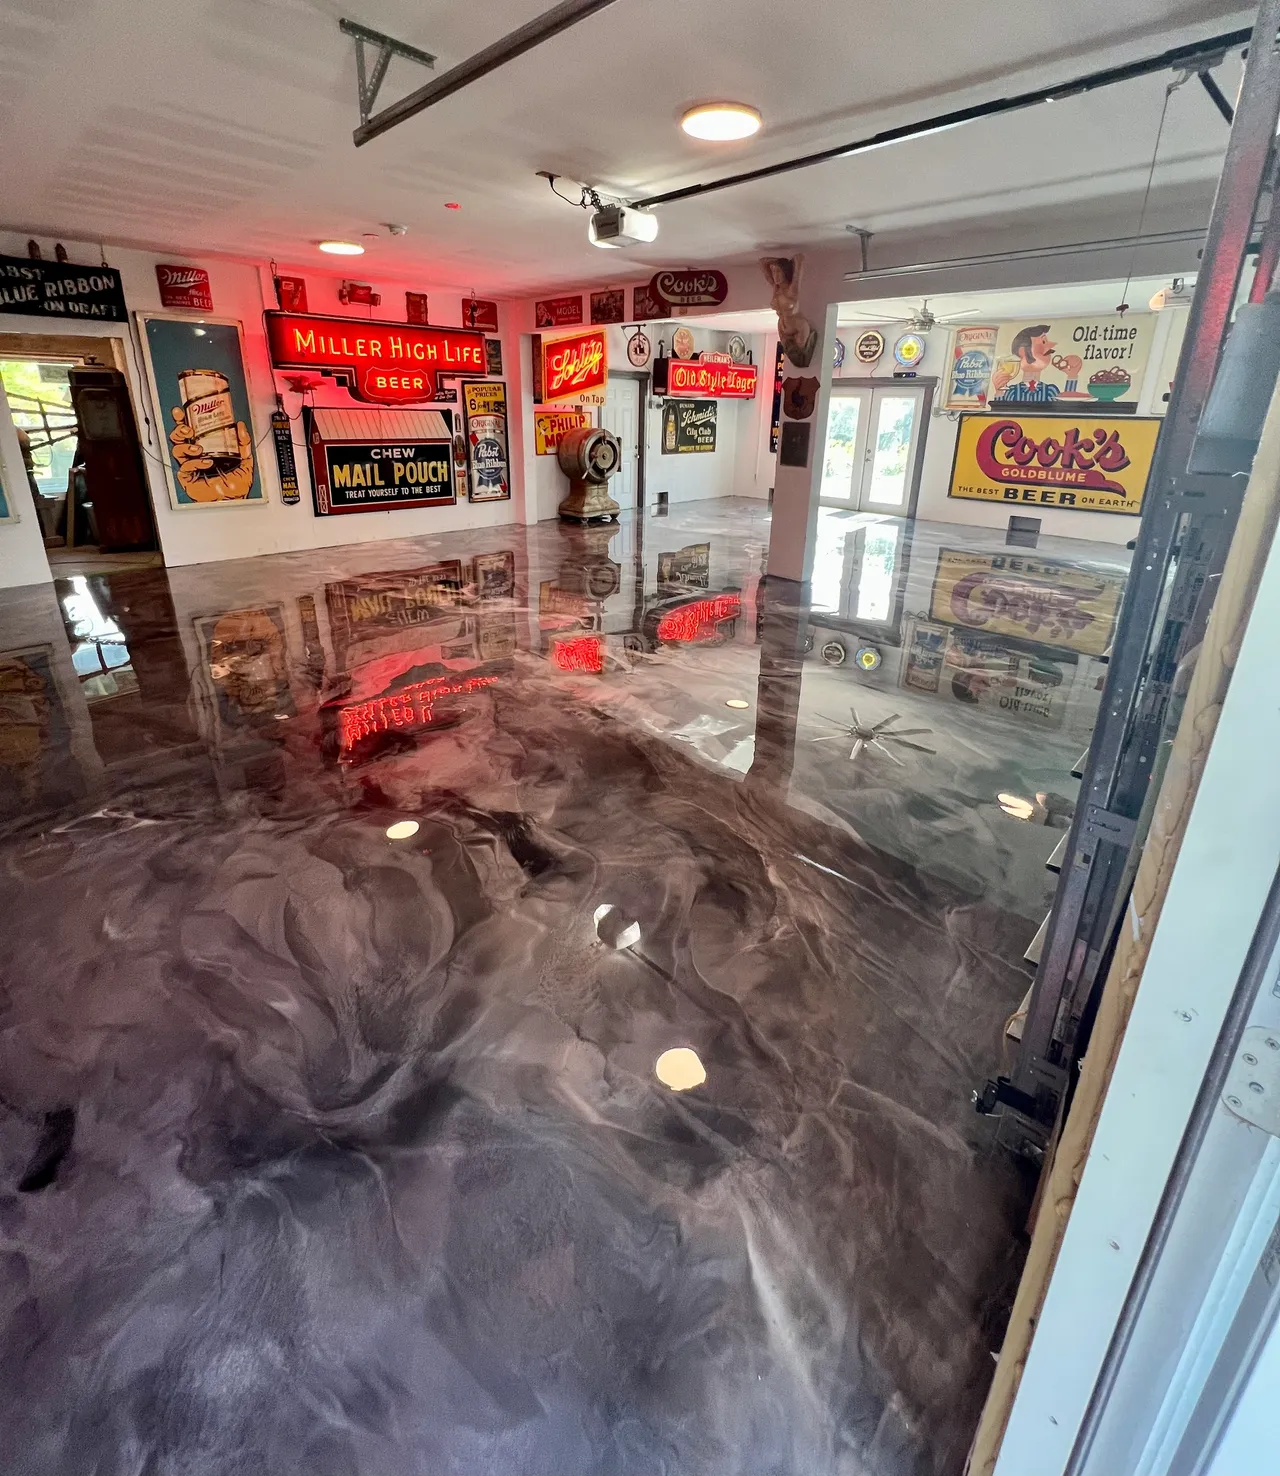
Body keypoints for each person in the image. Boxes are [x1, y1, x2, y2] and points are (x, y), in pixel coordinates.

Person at [990, 324, 1083, 403]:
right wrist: (999, 392)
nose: (1050, 346)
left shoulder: (1050, 390)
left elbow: (1065, 410)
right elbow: (1002, 414)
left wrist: (1072, 376)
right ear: (1022, 351)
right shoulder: (1012, 392)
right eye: (1043, 342)